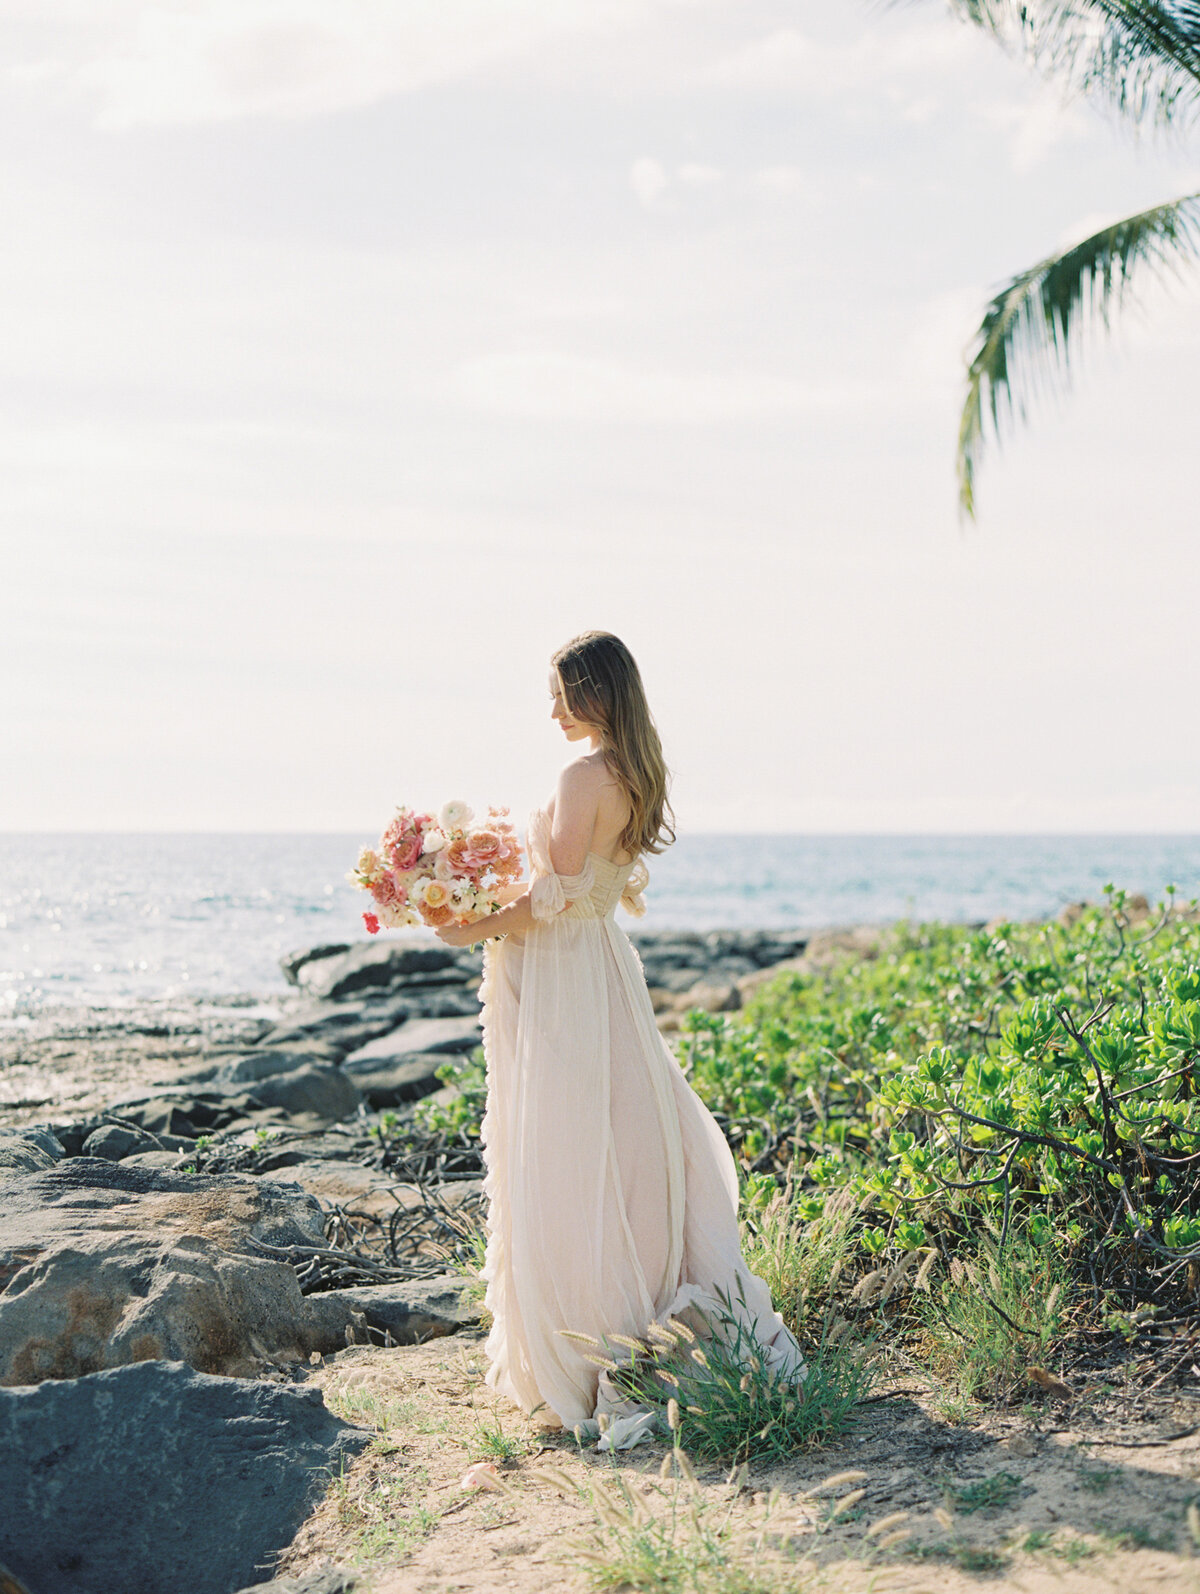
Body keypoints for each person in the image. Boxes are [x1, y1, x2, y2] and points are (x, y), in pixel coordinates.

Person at [434, 630, 804, 1448]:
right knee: (622, 1137)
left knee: (568, 1145)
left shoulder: (579, 774)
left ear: (594, 693)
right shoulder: (633, 773)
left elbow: (550, 899)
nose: (553, 707)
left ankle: (586, 1330)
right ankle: (625, 1307)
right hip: (600, 967)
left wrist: (465, 928)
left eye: (563, 692)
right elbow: (581, 887)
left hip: (566, 971)